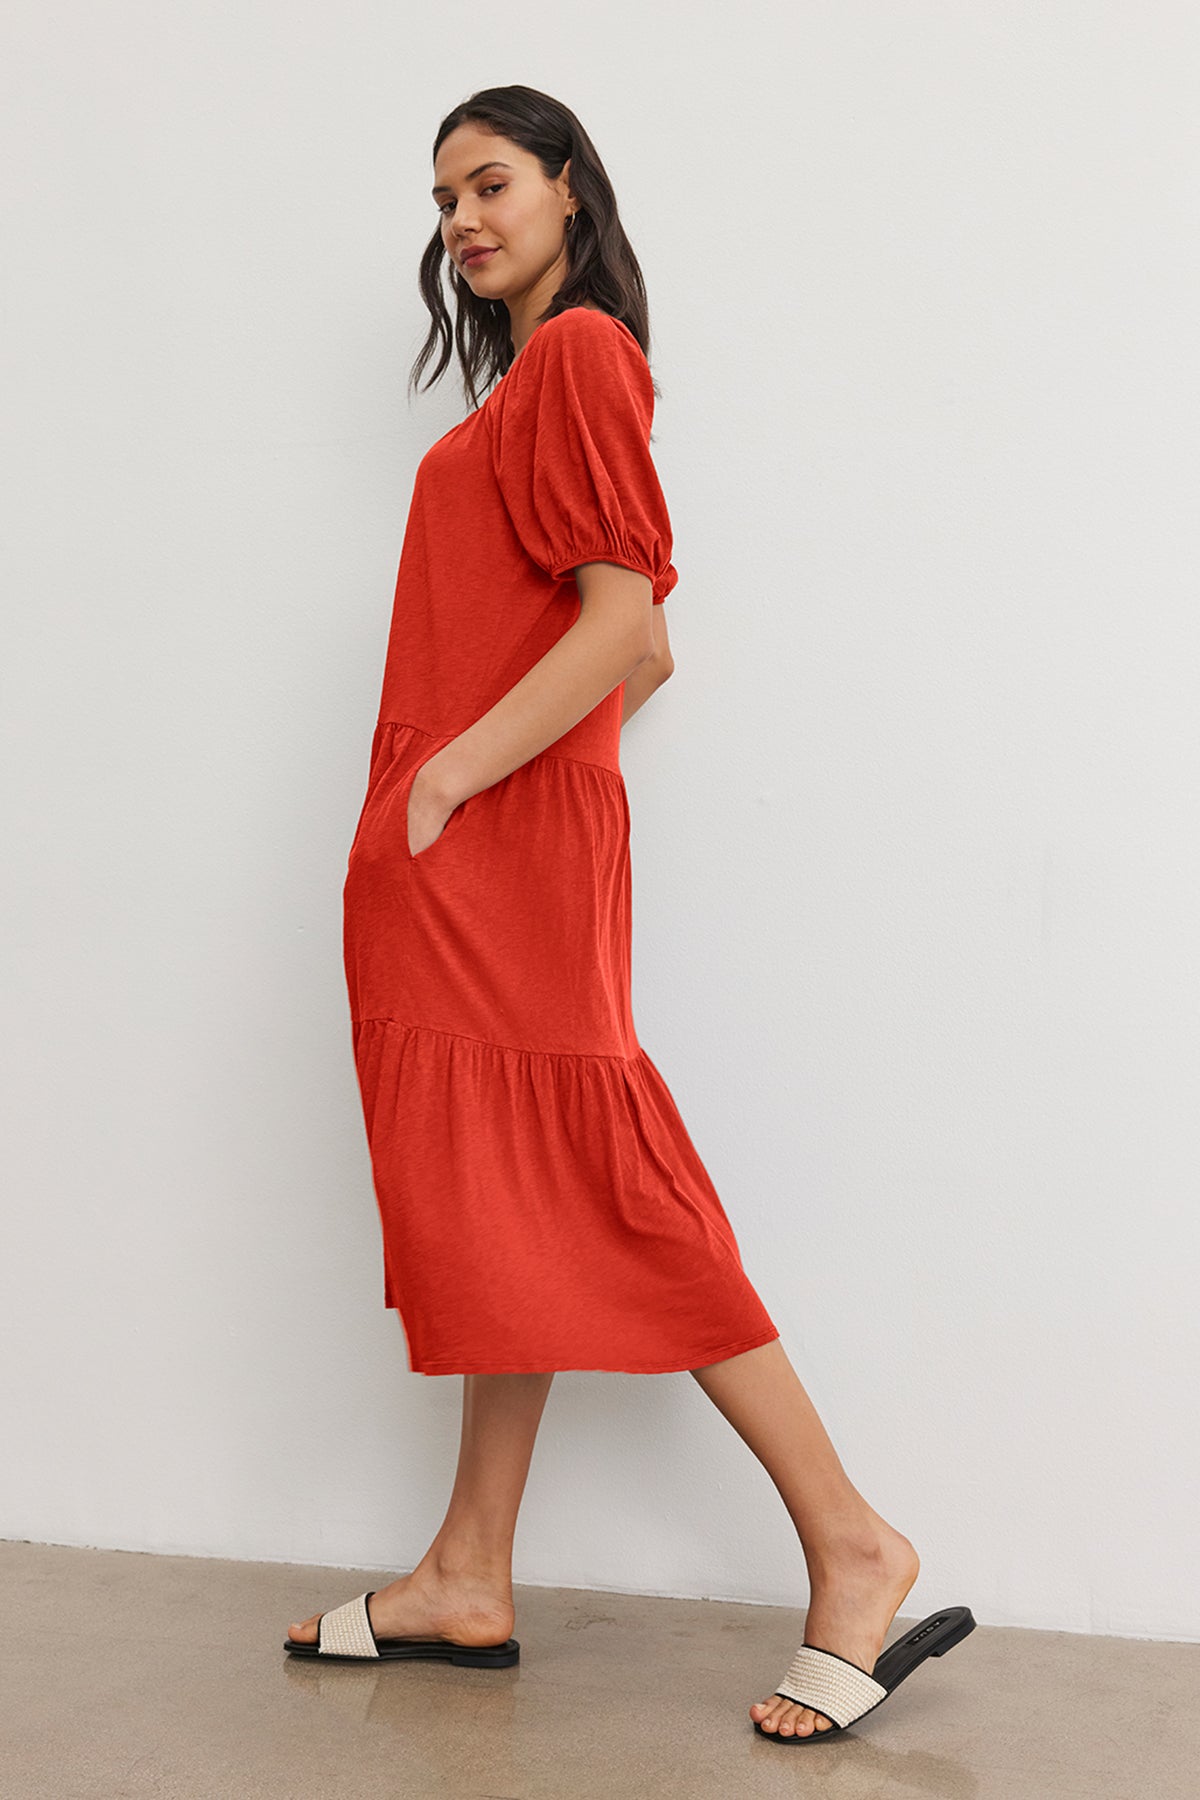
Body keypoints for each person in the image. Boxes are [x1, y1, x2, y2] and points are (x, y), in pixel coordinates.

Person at [286, 85, 973, 1745]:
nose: (462, 216)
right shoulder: (529, 384)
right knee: (505, 1187)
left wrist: (450, 783)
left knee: (595, 1175)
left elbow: (620, 624)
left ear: (572, 190)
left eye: (494, 180)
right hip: (489, 846)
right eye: (442, 194)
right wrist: (489, 787)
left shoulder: (581, 356)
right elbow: (638, 655)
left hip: (487, 847)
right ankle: (469, 1569)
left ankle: (853, 1543)